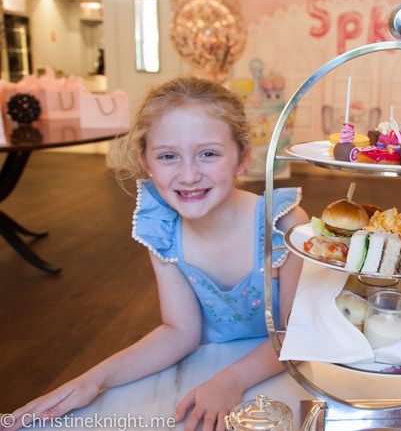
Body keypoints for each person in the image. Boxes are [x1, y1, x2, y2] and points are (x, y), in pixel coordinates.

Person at [2, 77, 307, 431]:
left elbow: (296, 336)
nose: (189, 175)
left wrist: (232, 380)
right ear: (145, 160)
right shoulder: (162, 230)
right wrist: (93, 379)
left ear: (242, 158)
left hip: (275, 372)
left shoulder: (283, 225)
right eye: (167, 156)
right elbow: (180, 331)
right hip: (204, 372)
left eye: (208, 153)